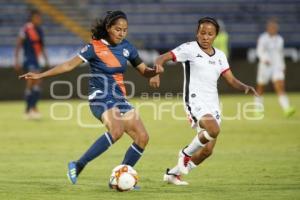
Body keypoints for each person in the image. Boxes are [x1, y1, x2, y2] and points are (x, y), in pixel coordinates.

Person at [19, 10, 163, 185]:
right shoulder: (94, 47)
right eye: (118, 29)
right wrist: (40, 75)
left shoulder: (127, 48)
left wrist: (154, 71)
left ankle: (118, 178)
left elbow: (144, 71)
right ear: (108, 28)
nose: (122, 33)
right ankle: (78, 165)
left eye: (125, 30)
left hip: (120, 99)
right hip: (100, 97)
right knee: (116, 130)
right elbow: (68, 65)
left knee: (142, 137)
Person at [149, 17, 258, 185]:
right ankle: (185, 154)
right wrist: (156, 73)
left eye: (210, 34)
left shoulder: (220, 56)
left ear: (215, 36)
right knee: (213, 129)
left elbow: (231, 79)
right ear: (197, 33)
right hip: (194, 101)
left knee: (207, 151)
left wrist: (245, 87)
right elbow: (160, 59)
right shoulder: (189, 48)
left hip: (213, 104)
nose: (205, 37)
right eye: (202, 33)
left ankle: (172, 174)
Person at [254, 18, 295, 117]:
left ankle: (287, 108)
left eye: (275, 27)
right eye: (271, 27)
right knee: (260, 88)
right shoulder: (263, 38)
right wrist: (264, 59)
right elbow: (259, 51)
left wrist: (283, 65)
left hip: (277, 66)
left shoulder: (280, 39)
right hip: (265, 66)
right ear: (268, 28)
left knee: (280, 86)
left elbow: (280, 54)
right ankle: (257, 109)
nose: (273, 29)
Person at [15, 9, 49, 119]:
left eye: (40, 18)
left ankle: (31, 108)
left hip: (36, 60)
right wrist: (17, 60)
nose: (39, 19)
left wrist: (46, 59)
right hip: (28, 60)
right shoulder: (26, 29)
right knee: (33, 81)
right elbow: (18, 45)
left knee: (36, 84)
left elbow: (42, 46)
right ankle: (29, 109)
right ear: (32, 18)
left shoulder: (39, 30)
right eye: (37, 17)